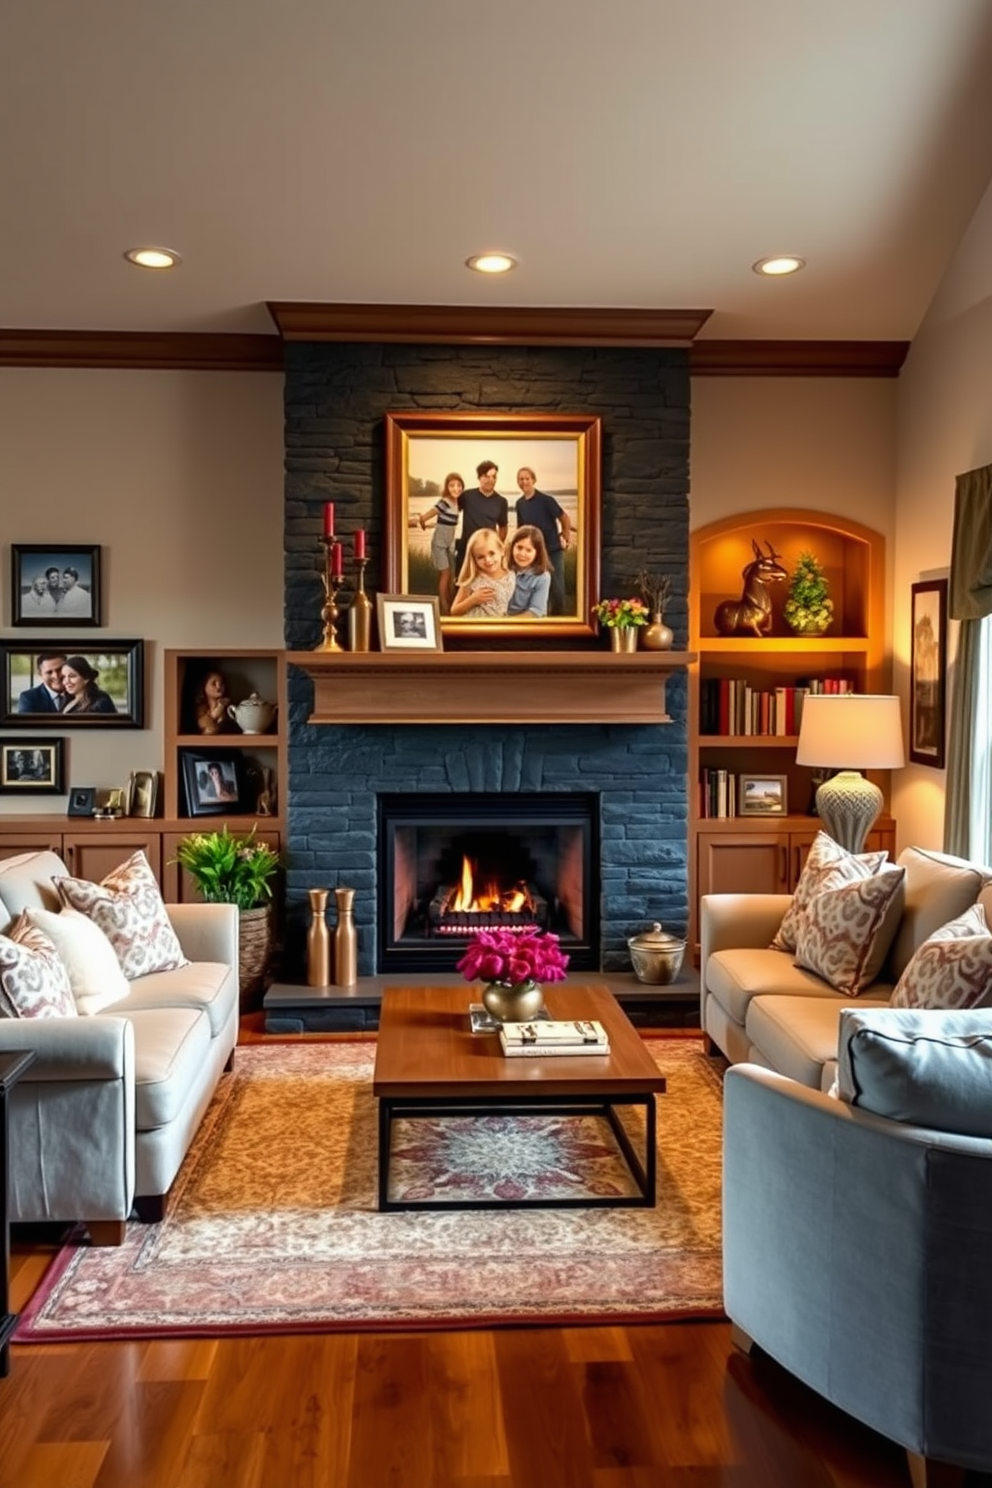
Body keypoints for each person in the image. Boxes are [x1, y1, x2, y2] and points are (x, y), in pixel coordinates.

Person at [514, 466, 572, 615]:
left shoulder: (546, 500)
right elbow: (522, 530)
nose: (524, 481)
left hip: (552, 550)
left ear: (533, 480)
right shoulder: (520, 504)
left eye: (527, 478)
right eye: (521, 479)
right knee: (538, 588)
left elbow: (564, 518)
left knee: (557, 588)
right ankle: (541, 618)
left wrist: (565, 535)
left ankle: (559, 618)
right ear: (518, 482)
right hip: (533, 553)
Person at [418, 472, 463, 613]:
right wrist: (422, 521)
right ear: (447, 487)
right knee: (445, 574)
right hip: (439, 544)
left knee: (450, 575)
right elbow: (427, 515)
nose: (455, 488)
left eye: (458, 485)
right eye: (452, 486)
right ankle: (444, 606)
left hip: (449, 545)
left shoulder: (458, 503)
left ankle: (450, 602)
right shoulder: (444, 502)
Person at [454, 460, 508, 575]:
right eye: (486, 476)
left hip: (487, 556)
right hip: (466, 551)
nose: (490, 480)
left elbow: (503, 527)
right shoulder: (467, 496)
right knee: (461, 586)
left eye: (494, 477)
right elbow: (450, 510)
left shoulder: (501, 501)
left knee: (485, 588)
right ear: (479, 477)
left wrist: (496, 547)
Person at [449, 529, 515, 619]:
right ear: (474, 559)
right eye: (480, 557)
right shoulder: (473, 579)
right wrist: (473, 600)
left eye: (492, 553)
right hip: (476, 629)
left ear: (502, 550)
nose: (487, 560)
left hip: (503, 629)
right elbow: (454, 611)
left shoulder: (512, 577)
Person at [506, 525, 552, 618]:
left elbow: (535, 612)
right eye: (519, 547)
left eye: (528, 550)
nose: (522, 554)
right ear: (512, 547)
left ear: (537, 553)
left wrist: (506, 624)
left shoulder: (543, 577)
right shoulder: (504, 567)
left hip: (525, 623)